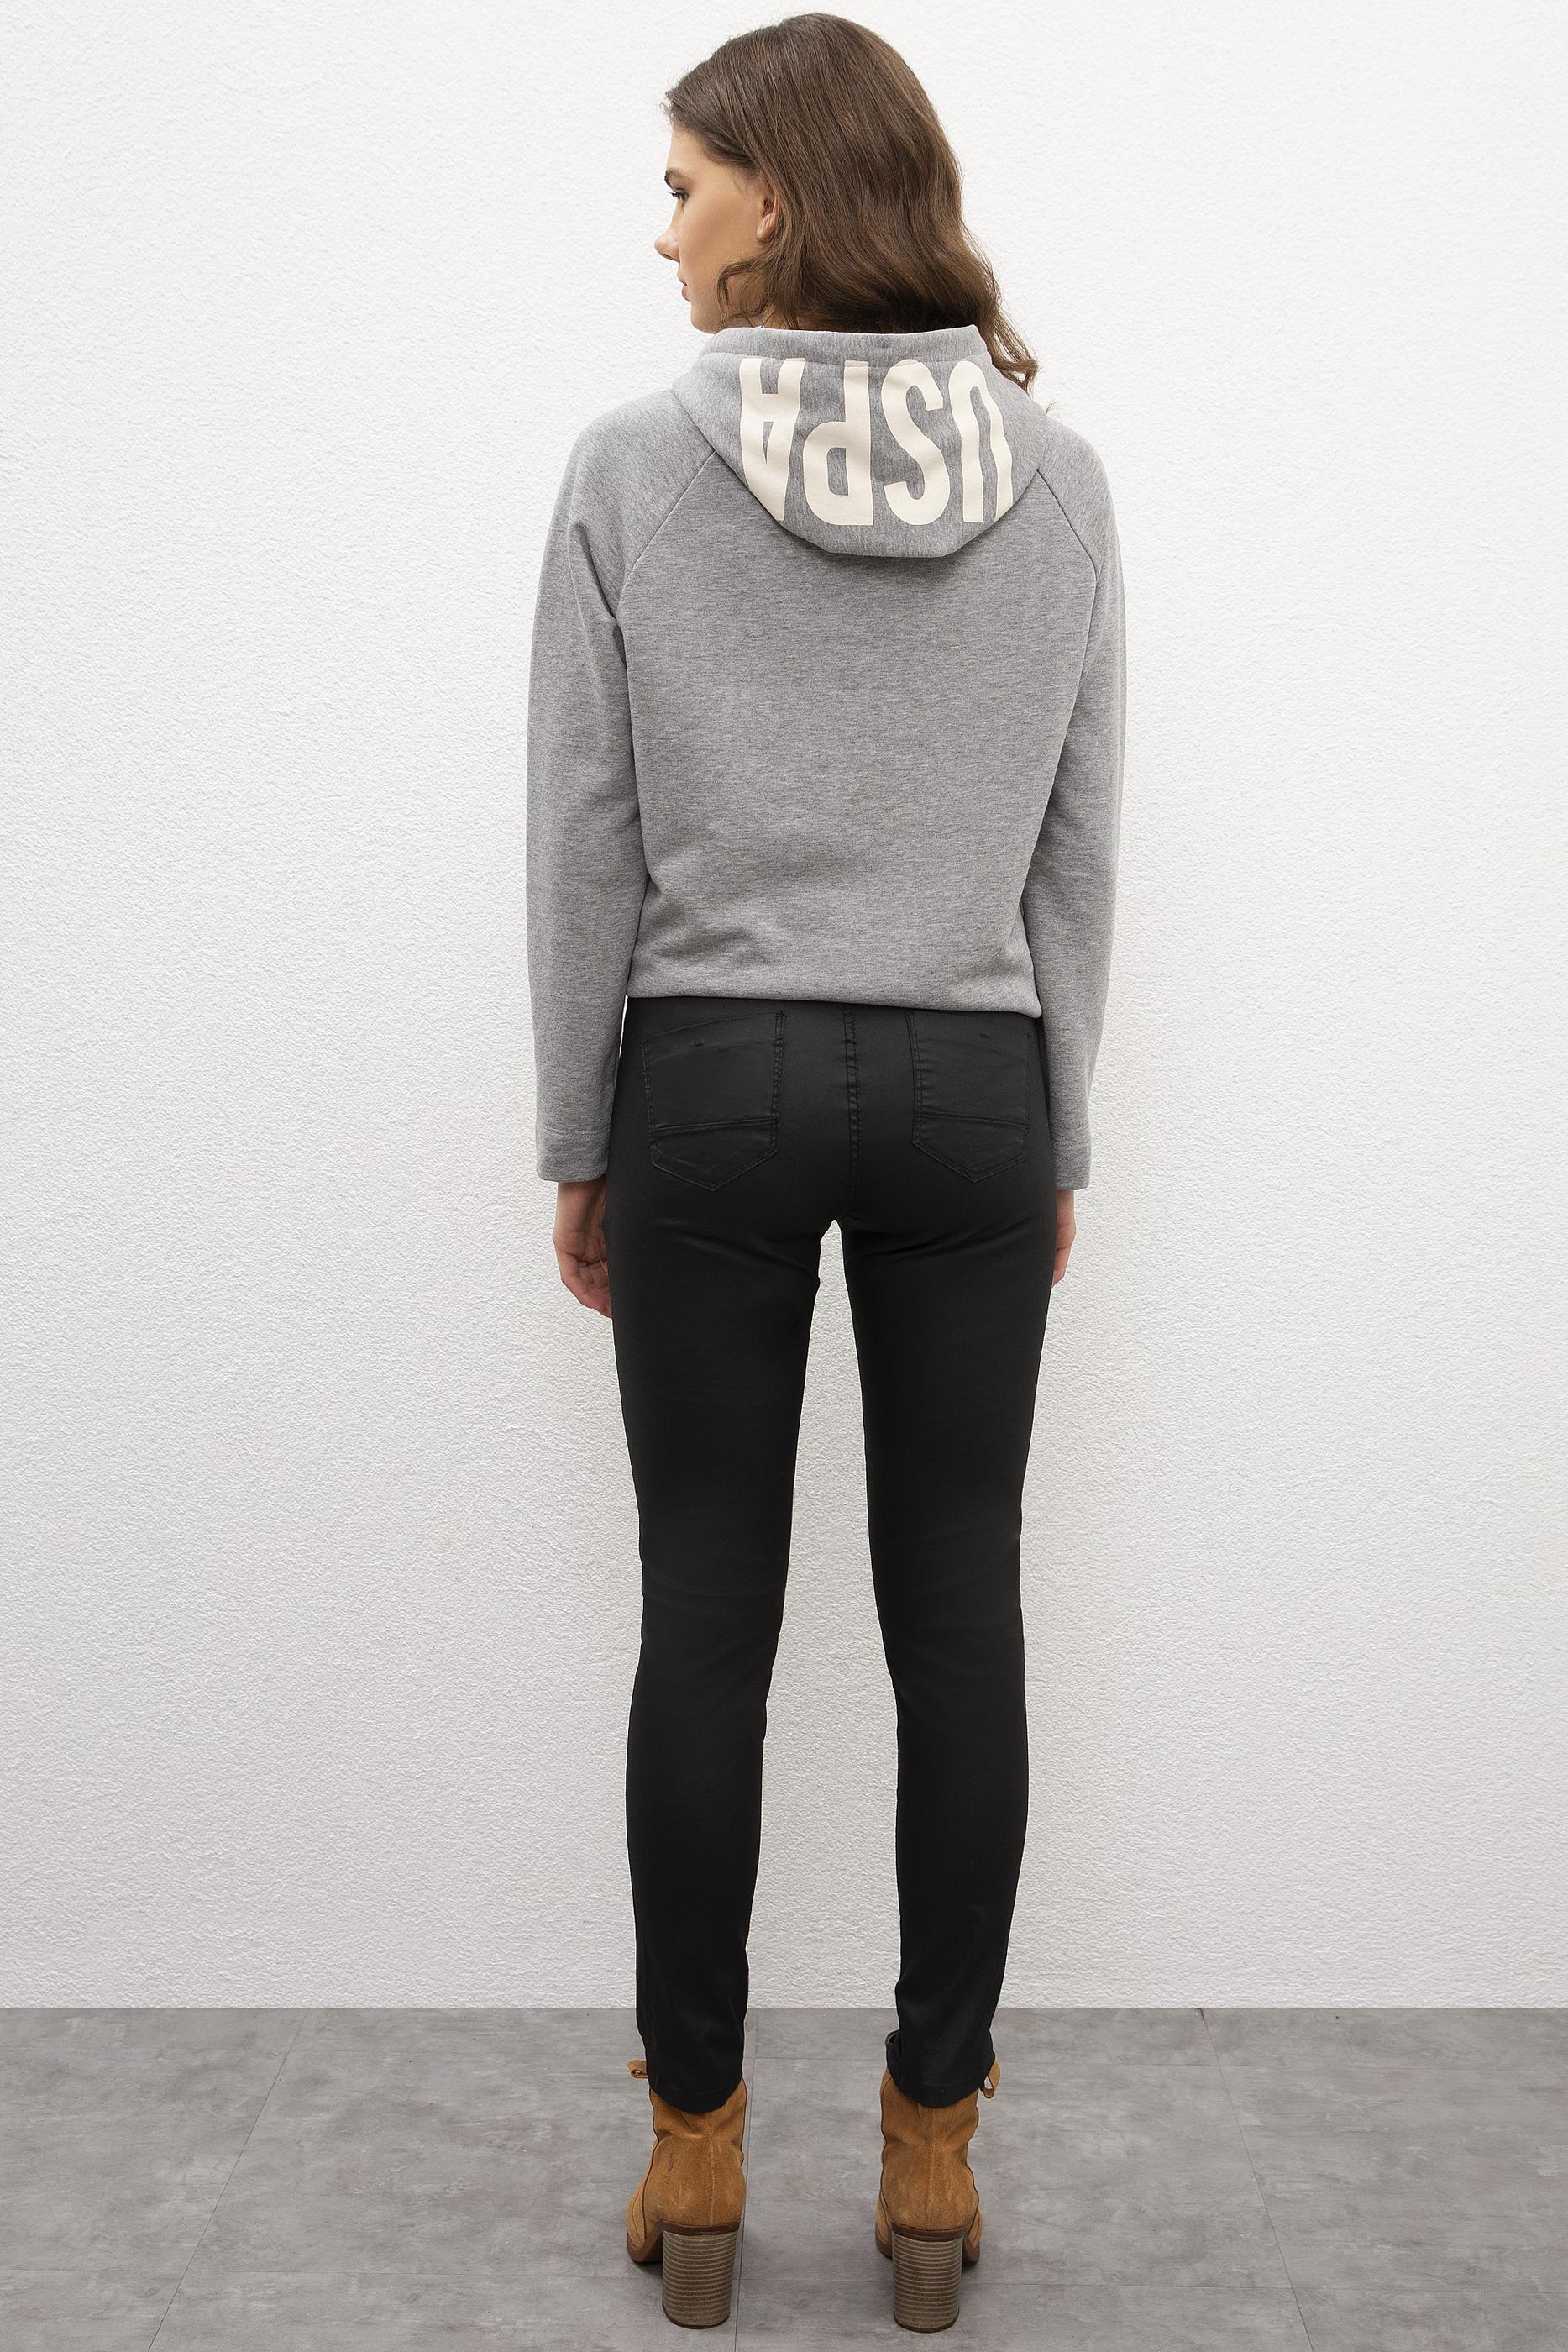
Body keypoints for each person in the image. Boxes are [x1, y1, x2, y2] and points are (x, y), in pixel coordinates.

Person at [526, 15, 1126, 2331]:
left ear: (777, 194)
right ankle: (932, 2161)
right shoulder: (1059, 479)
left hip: (712, 1080)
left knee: (708, 1612)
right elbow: (1074, 843)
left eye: (684, 184)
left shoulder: (628, 468)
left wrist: (578, 1128)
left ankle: (694, 2157)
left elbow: (588, 835)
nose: (662, 228)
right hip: (974, 1082)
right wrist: (1056, 1124)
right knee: (959, 1613)